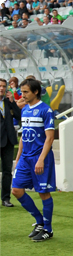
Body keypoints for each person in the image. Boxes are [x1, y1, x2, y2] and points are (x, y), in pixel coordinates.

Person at [11, 79, 56, 242]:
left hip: (40, 157)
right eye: (22, 92)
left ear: (35, 92)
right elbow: (24, 136)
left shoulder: (46, 110)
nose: (22, 95)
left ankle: (48, 230)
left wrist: (41, 159)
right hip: (25, 157)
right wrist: (18, 159)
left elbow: (49, 138)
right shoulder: (25, 110)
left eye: (26, 92)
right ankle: (39, 221)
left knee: (43, 192)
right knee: (16, 190)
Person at [0, 78, 22, 207]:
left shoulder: (9, 102)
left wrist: (13, 102)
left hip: (8, 140)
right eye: (0, 86)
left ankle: (5, 199)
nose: (2, 88)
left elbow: (19, 116)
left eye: (4, 86)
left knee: (7, 171)